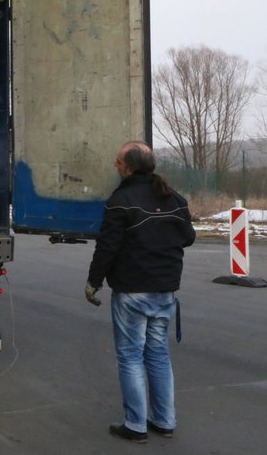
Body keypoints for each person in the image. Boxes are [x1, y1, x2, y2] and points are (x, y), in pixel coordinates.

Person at [85, 140, 195, 443]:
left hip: (132, 290)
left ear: (129, 166)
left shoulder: (120, 200)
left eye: (118, 160)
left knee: (131, 357)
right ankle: (164, 420)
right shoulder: (174, 198)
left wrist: (94, 281)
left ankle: (135, 425)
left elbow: (107, 247)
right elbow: (188, 238)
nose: (114, 164)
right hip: (165, 289)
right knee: (158, 354)